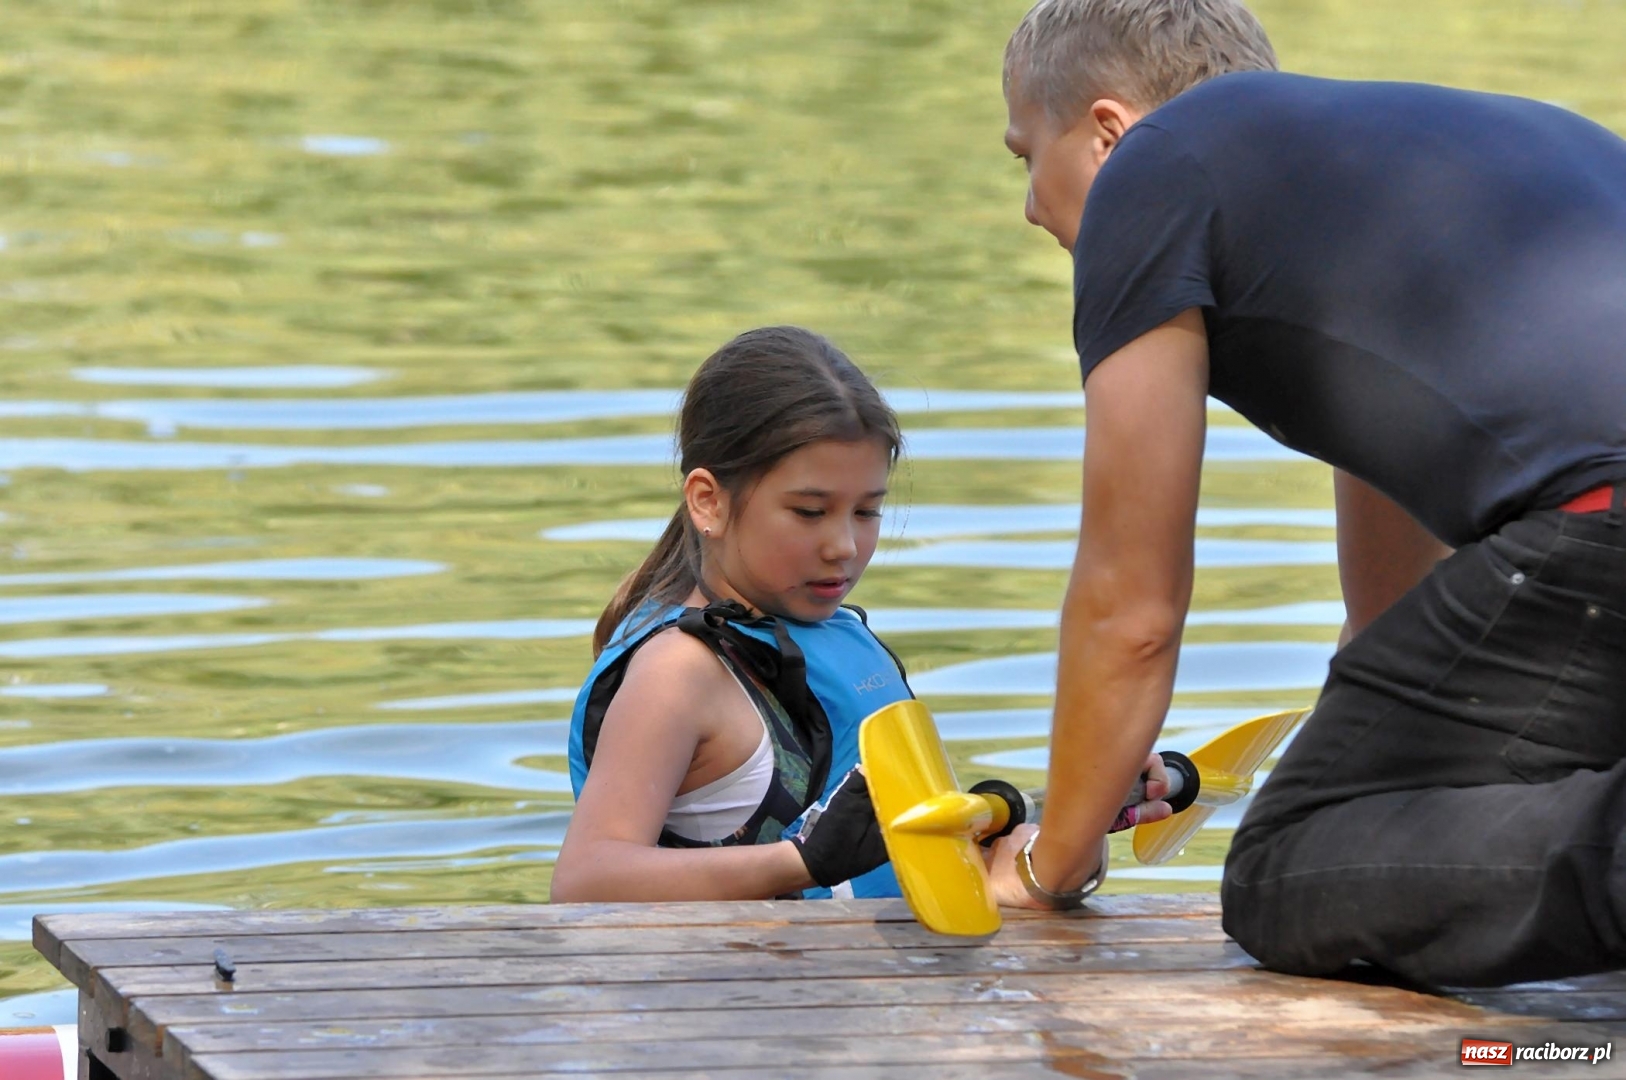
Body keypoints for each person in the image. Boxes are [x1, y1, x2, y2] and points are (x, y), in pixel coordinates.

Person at [990, 0, 1626, 988]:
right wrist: (1112, 761)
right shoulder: (1430, 158)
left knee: (1291, 865)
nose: (1028, 208)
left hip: (1597, 531)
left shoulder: (1153, 174)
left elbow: (1132, 606)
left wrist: (1046, 864)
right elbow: (1386, 598)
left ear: (1110, 133)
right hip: (1591, 536)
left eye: (1025, 154)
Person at [553, 326, 919, 902]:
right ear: (708, 500)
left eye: (867, 511)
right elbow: (586, 881)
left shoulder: (840, 637)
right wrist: (798, 863)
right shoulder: (680, 670)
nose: (843, 545)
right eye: (809, 512)